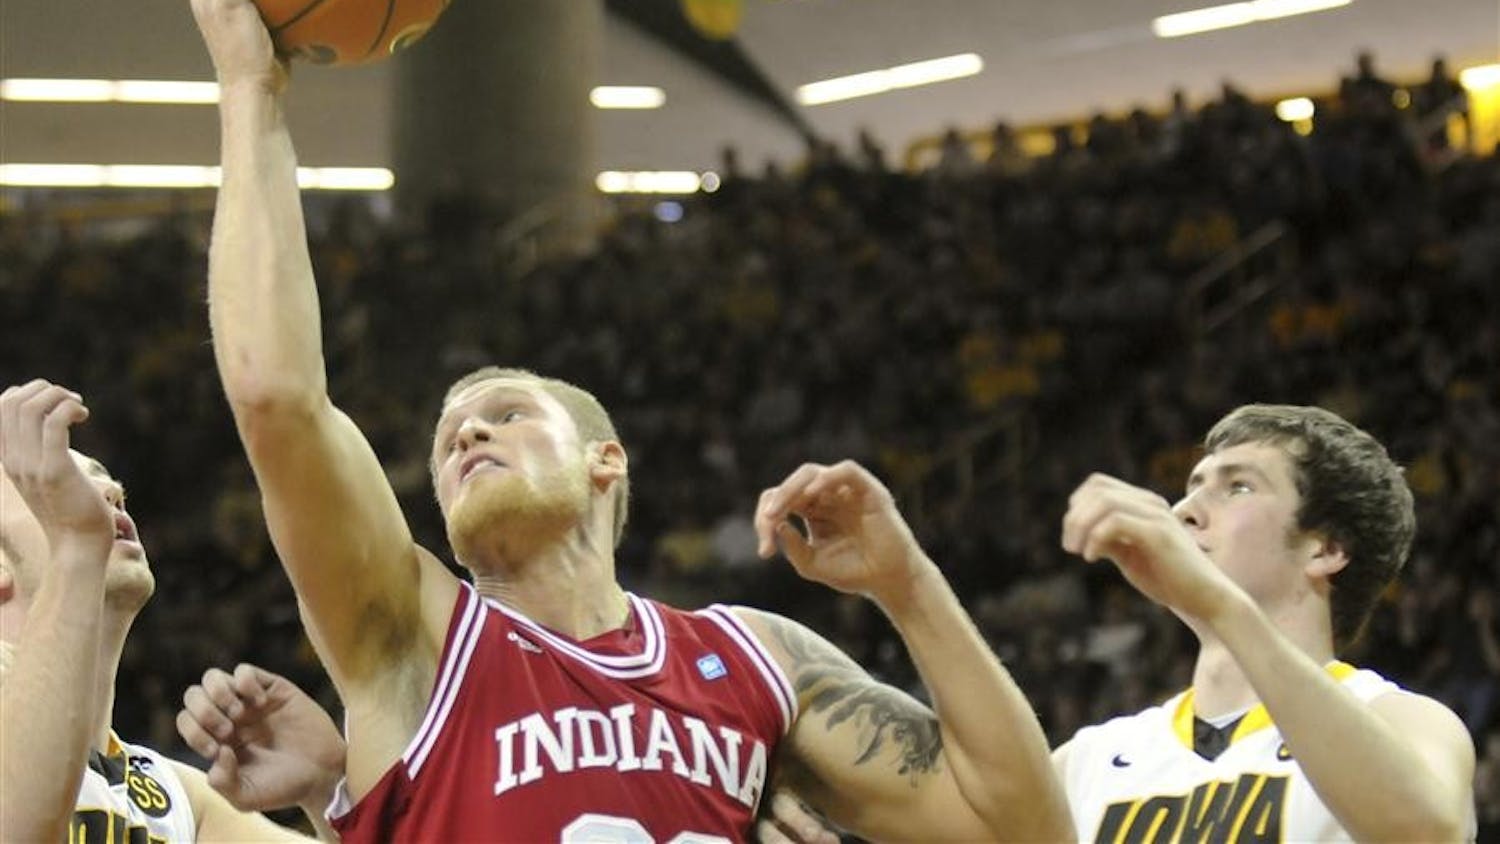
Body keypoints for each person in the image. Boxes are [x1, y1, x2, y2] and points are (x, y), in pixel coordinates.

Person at [189, 1, 1070, 841]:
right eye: (450, 437)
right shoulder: (410, 632)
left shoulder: (753, 655)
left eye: (505, 414)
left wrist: (908, 585)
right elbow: (275, 397)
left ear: (606, 460)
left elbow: (1022, 828)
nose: (466, 436)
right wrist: (250, 91)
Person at [776, 403, 1478, 841]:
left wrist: (1216, 602)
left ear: (1326, 548)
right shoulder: (1089, 760)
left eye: (1237, 487)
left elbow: (1424, 832)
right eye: (1191, 486)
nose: (1187, 510)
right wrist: (902, 582)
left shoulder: (1404, 722)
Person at [0, 379, 342, 842]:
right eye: (54, 480)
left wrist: (331, 794)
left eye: (103, 476)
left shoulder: (175, 796)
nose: (108, 490)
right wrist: (77, 546)